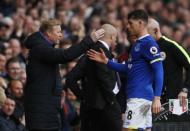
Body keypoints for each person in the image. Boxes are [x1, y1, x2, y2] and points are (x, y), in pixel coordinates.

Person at [87, 9, 164, 131]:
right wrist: (107, 62)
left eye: (130, 23)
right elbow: (128, 69)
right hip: (139, 97)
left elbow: (159, 70)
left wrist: (157, 98)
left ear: (140, 23)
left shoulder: (149, 43)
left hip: (139, 98)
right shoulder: (137, 44)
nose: (127, 26)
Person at [24, 19, 104, 131]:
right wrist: (89, 40)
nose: (61, 35)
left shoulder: (42, 47)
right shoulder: (40, 48)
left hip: (47, 105)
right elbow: (65, 55)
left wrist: (57, 92)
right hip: (41, 110)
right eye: (58, 32)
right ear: (48, 33)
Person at [65, 24, 122, 131]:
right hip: (106, 109)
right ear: (112, 37)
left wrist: (84, 96)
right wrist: (113, 103)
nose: (116, 42)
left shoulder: (88, 53)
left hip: (89, 109)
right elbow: (104, 80)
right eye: (116, 38)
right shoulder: (101, 53)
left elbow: (70, 78)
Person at [147, 18, 190, 104]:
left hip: (174, 99)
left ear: (156, 30)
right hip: (152, 100)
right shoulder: (146, 48)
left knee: (175, 118)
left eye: (147, 33)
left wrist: (185, 89)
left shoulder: (171, 46)